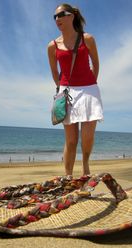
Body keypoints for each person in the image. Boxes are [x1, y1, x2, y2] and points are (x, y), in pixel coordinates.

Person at [48, 3, 104, 176]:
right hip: (67, 92)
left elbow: (95, 64)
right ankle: (68, 177)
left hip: (89, 91)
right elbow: (55, 73)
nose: (57, 19)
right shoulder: (52, 46)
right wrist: (64, 88)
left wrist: (89, 84)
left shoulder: (87, 39)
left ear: (71, 16)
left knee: (87, 139)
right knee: (71, 141)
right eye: (55, 16)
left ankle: (85, 164)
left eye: (61, 15)